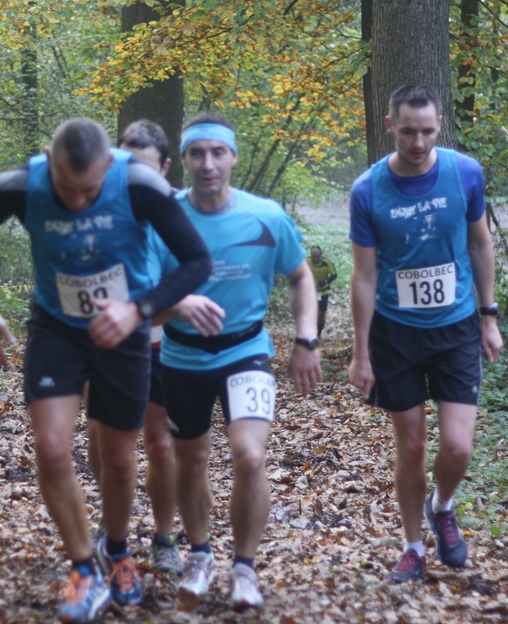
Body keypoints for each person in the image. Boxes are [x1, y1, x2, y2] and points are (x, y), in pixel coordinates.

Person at [0, 118, 211, 623]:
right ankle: (83, 568)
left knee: (117, 460)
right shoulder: (19, 186)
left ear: (108, 168)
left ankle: (116, 551)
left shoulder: (139, 185)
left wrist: (138, 310)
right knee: (52, 448)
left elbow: (196, 262)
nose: (77, 201)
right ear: (49, 163)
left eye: (90, 191)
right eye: (67, 188)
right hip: (57, 328)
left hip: (123, 332)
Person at [151, 113, 322, 611]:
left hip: (246, 350)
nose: (208, 163)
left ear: (233, 157)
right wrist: (178, 304)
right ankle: (200, 555)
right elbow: (142, 304)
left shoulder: (265, 215)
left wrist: (306, 338)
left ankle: (244, 568)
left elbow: (301, 276)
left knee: (249, 456)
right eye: (197, 153)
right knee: (191, 460)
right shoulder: (163, 219)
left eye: (217, 153)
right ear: (183, 160)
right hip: (182, 355)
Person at [347, 86, 503, 584]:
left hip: (456, 328)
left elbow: (480, 244)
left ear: (440, 127)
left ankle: (443, 506)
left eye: (428, 132)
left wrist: (489, 316)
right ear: (390, 126)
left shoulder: (465, 174)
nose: (418, 143)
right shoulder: (367, 190)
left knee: (458, 447)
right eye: (409, 131)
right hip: (396, 333)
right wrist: (360, 352)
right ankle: (413, 546)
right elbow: (364, 275)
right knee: (411, 447)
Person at [84, 119, 182, 577]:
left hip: (162, 344)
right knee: (100, 442)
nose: (132, 177)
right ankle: (112, 524)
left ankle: (164, 538)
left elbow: (194, 276)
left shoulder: (179, 210)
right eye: (123, 165)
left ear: (165, 168)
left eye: (143, 167)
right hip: (105, 340)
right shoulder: (95, 203)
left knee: (160, 445)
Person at [305, 245, 337, 338]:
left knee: (321, 314)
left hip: (323, 291)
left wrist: (325, 281)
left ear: (321, 255)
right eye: (313, 257)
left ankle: (318, 334)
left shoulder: (326, 263)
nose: (315, 259)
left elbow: (334, 275)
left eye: (317, 257)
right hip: (310, 291)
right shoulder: (306, 262)